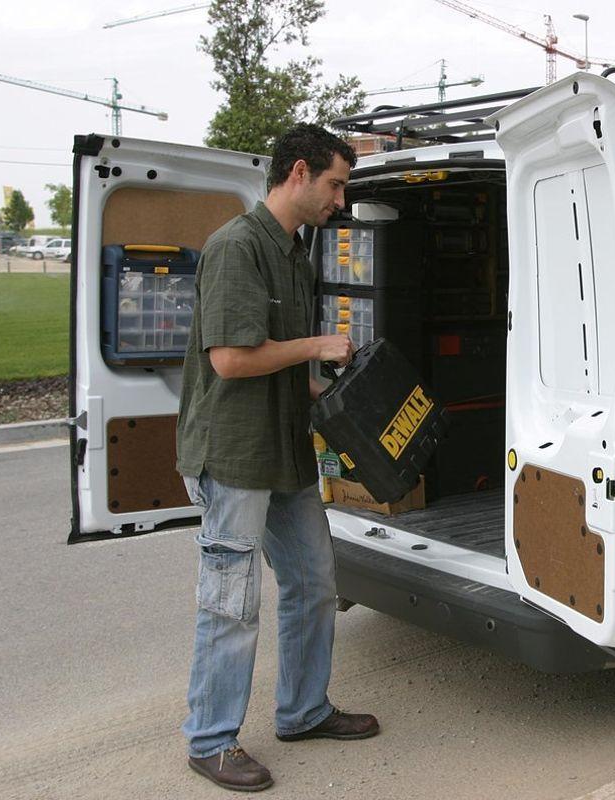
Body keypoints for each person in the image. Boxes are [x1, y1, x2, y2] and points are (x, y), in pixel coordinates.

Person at [175, 123, 378, 792]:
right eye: (335, 183)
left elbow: (279, 360)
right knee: (232, 601)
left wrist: (333, 391)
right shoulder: (237, 248)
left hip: (285, 448)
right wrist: (317, 347)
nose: (341, 200)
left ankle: (303, 709)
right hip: (235, 455)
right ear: (297, 173)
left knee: (315, 579)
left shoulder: (294, 250)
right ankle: (210, 739)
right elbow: (231, 360)